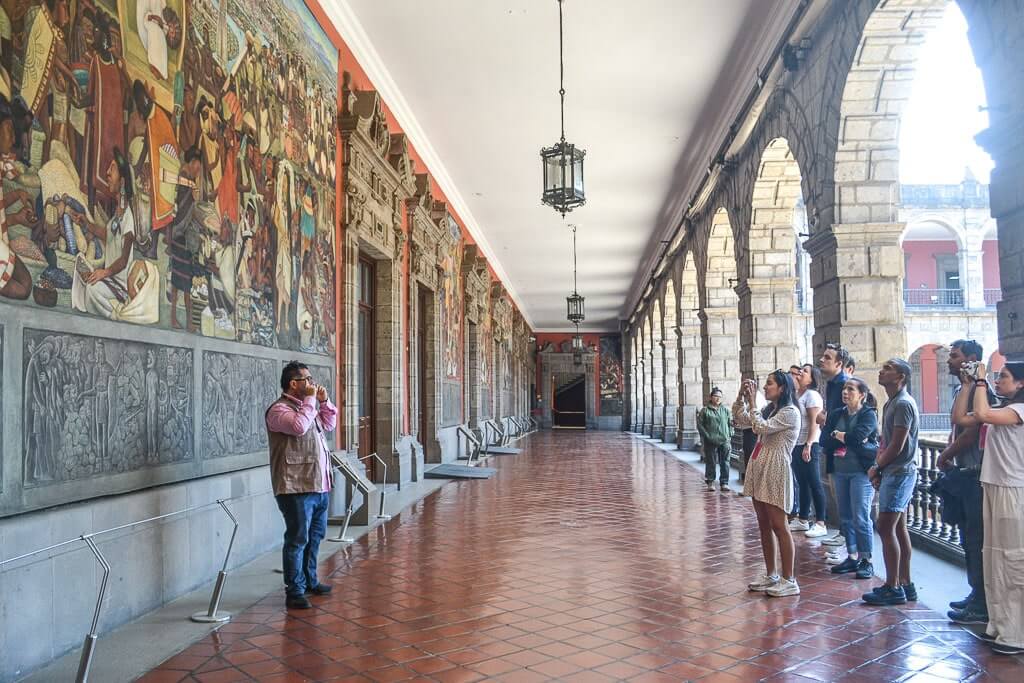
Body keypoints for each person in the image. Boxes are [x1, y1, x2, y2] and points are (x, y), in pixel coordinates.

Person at [952, 361, 1024, 655]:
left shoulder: (1019, 410)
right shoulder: (1003, 407)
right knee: (994, 560)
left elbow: (981, 414)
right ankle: (1000, 625)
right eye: (996, 376)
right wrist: (968, 383)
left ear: (1020, 383)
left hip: (1013, 489)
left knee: (1013, 560)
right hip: (994, 486)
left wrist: (981, 382)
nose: (997, 380)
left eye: (1003, 377)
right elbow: (960, 417)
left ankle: (1017, 631)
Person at [266, 361, 338, 610]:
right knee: (297, 539)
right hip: (295, 487)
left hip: (319, 484)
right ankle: (294, 590)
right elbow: (298, 428)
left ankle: (310, 580)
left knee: (315, 537)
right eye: (307, 379)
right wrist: (310, 402)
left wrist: (325, 402)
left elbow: (329, 425)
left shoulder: (307, 408)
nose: (312, 383)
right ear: (293, 384)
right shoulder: (278, 410)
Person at [939, 340, 993, 626]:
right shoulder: (965, 389)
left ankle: (982, 603)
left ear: (971, 359)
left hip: (976, 476)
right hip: (966, 475)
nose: (949, 360)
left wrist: (947, 453)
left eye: (955, 356)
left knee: (976, 541)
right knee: (968, 540)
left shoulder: (979, 393)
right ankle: (975, 594)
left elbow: (970, 434)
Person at [734, 370, 802, 597]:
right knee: (763, 523)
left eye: (769, 384)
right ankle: (771, 574)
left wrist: (753, 401)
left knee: (779, 525)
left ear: (782, 388)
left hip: (775, 470)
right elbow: (741, 420)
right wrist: (741, 397)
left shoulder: (790, 413)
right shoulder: (771, 410)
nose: (765, 387)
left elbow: (761, 428)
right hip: (760, 467)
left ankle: (789, 579)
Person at [864, 358, 920, 605]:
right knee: (898, 528)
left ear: (901, 377)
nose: (882, 371)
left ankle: (892, 585)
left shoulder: (903, 404)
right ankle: (905, 583)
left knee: (885, 527)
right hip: (894, 471)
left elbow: (898, 444)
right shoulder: (893, 403)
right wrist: (879, 466)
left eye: (888, 369)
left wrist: (878, 466)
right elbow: (887, 441)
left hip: (899, 472)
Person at [821, 377, 878, 580]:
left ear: (862, 394)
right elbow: (824, 440)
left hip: (861, 473)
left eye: (851, 389)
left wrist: (839, 435)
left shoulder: (868, 415)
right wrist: (843, 436)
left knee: (861, 517)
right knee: (845, 516)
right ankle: (852, 555)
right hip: (839, 470)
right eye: (845, 388)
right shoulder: (837, 414)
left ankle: (866, 560)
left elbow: (856, 438)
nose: (845, 392)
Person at [788, 364, 828, 538]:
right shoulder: (797, 395)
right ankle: (803, 519)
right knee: (802, 482)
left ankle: (821, 521)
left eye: (805, 371)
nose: (800, 373)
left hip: (809, 443)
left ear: (812, 378)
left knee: (814, 482)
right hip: (797, 444)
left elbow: (815, 422)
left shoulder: (812, 395)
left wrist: (809, 444)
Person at [697, 387, 733, 492]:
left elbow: (730, 423)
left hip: (724, 439)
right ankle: (711, 481)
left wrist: (730, 434)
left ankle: (724, 483)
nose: (718, 398)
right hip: (710, 440)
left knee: (725, 461)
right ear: (711, 397)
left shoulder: (725, 410)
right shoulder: (705, 411)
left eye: (720, 397)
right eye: (716, 396)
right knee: (711, 461)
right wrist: (707, 436)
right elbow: (700, 425)